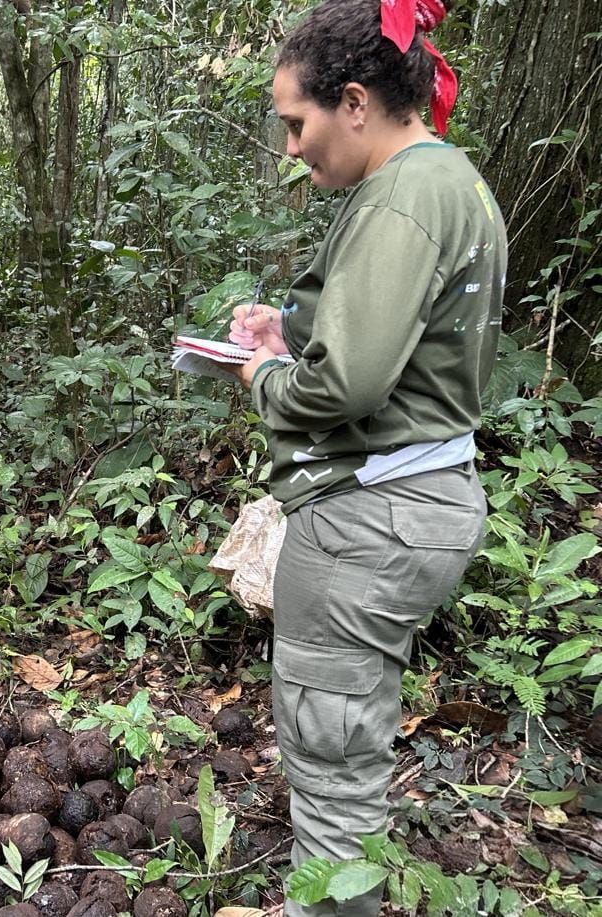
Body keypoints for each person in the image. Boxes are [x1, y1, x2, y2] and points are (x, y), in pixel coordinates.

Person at [213, 1, 505, 915]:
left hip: (370, 521)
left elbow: (345, 387)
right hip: (418, 500)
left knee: (332, 767)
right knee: (350, 743)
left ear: (353, 101)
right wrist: (286, 324)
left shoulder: (405, 194)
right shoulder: (443, 182)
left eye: (295, 123)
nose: (292, 148)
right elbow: (401, 335)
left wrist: (264, 374)